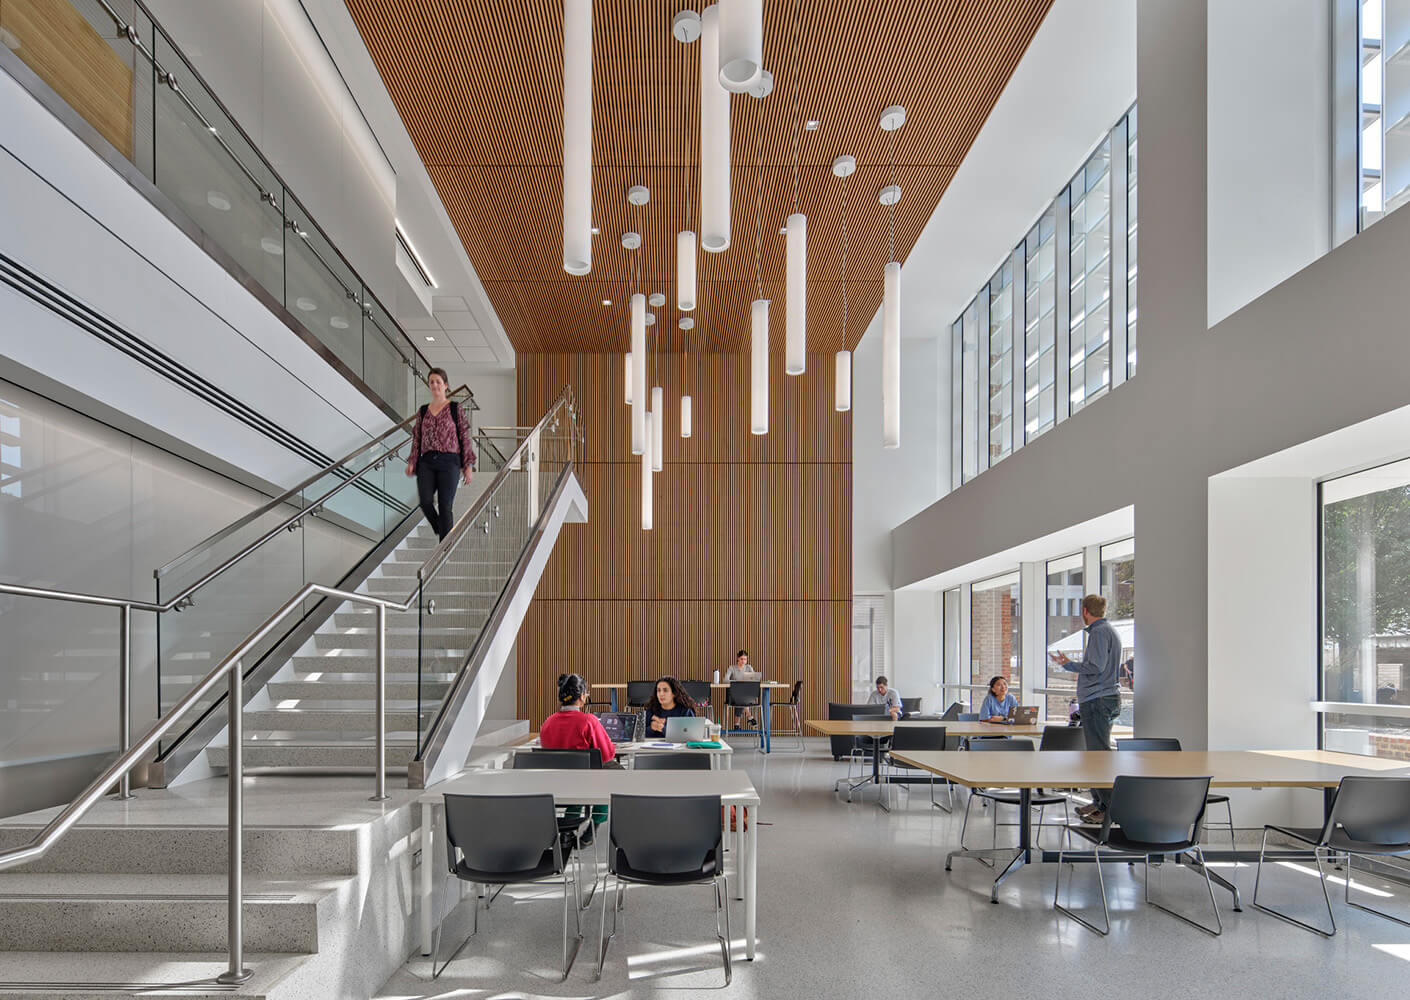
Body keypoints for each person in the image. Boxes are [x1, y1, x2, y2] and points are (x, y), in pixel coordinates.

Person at [1049, 594, 1123, 823]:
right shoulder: (1108, 631)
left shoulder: (1100, 633)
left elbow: (1096, 666)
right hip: (1103, 698)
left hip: (1098, 699)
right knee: (1096, 754)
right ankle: (1100, 803)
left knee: (1097, 757)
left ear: (1084, 611)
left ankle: (1109, 809)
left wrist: (1067, 664)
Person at [404, 368, 475, 541]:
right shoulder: (422, 411)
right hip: (427, 462)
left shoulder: (454, 408)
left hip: (449, 461)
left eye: (438, 381)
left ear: (445, 385)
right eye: (431, 382)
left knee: (445, 506)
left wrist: (468, 465)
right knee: (426, 502)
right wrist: (412, 461)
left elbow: (464, 436)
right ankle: (442, 529)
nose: (435, 385)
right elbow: (417, 438)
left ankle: (444, 550)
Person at [539, 672, 616, 765]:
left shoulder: (547, 723)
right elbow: (606, 755)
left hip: (554, 778)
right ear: (582, 696)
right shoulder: (589, 721)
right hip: (584, 777)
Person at [724, 649, 757, 727]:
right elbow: (725, 680)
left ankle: (736, 724)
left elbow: (754, 680)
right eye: (741, 659)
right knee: (741, 697)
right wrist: (737, 682)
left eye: (745, 659)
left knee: (742, 697)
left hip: (744, 695)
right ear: (738, 658)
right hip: (733, 696)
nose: (743, 661)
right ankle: (749, 716)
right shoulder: (732, 668)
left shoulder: (748, 667)